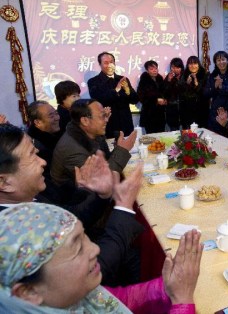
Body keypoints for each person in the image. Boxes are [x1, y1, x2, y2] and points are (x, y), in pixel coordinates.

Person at [0, 123, 144, 286]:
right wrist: (123, 207)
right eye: (32, 156)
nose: (43, 162)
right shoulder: (16, 234)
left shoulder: (27, 196)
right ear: (3, 182)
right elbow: (88, 273)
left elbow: (73, 216)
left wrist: (102, 194)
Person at [0, 203, 202, 313]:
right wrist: (182, 300)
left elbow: (122, 299)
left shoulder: (73, 297)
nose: (95, 249)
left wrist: (168, 287)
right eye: (77, 248)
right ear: (29, 291)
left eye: (85, 237)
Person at [51, 99, 136, 187]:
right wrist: (123, 150)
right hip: (76, 198)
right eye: (102, 116)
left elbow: (105, 160)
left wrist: (118, 148)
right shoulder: (73, 151)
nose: (106, 120)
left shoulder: (87, 132)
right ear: (85, 121)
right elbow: (102, 182)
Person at [88, 52, 139, 138]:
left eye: (111, 62)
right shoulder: (93, 81)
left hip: (126, 123)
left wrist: (127, 90)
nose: (109, 65)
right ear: (100, 64)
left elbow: (134, 100)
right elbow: (99, 100)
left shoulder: (122, 79)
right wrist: (117, 89)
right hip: (108, 125)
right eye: (106, 63)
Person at [205, 51, 228, 130]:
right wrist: (215, 86)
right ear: (215, 63)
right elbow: (206, 93)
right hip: (216, 110)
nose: (221, 62)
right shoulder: (213, 75)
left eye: (223, 59)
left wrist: (222, 87)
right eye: (218, 60)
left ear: (227, 60)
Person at [27, 101, 62, 177]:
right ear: (38, 122)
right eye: (51, 116)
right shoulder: (37, 148)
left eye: (56, 113)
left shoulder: (54, 136)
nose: (57, 118)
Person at [137, 60, 166, 134]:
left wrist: (165, 100)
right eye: (151, 69)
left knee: (161, 136)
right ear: (147, 70)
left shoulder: (160, 79)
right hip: (149, 114)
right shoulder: (144, 80)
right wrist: (156, 100)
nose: (154, 71)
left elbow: (164, 92)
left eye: (156, 68)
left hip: (160, 114)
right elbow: (141, 98)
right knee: (151, 138)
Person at [180, 56, 209, 128]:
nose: (193, 66)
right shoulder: (184, 75)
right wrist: (187, 84)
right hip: (187, 111)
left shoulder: (205, 75)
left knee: (201, 133)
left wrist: (196, 83)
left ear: (199, 64)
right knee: (188, 134)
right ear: (187, 65)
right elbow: (180, 93)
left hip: (201, 110)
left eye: (195, 63)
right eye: (190, 64)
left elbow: (205, 93)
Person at [164, 58, 184, 131]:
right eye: (173, 67)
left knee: (187, 133)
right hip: (172, 111)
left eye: (177, 67)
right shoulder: (168, 77)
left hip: (184, 110)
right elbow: (165, 93)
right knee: (174, 132)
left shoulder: (185, 77)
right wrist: (169, 81)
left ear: (181, 68)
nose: (175, 69)